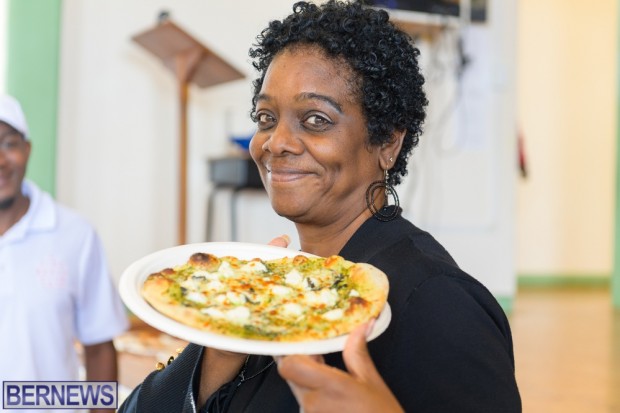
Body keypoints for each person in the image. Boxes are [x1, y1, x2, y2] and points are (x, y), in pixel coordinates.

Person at [119, 1, 521, 412]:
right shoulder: (273, 291)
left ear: (387, 142)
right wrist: (221, 345)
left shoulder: (438, 302)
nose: (276, 142)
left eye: (315, 119)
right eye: (266, 117)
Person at [0, 94, 129, 412]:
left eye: (9, 143)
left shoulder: (75, 235)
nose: (1, 160)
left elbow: (99, 348)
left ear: (27, 150)